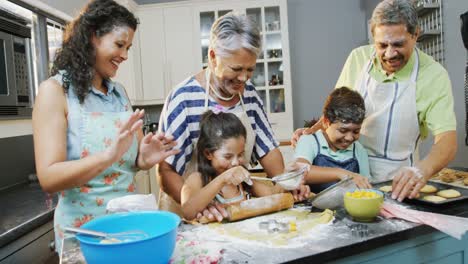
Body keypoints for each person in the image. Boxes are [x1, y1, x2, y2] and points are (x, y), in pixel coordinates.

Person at [32, 0, 179, 252]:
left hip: (129, 227)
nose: (124, 55)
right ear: (92, 37)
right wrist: (107, 156)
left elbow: (129, 162)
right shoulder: (54, 92)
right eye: (119, 45)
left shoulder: (119, 93)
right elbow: (48, 177)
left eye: (128, 48)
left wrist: (143, 159)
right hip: (84, 233)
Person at [291, 0, 456, 201]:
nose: (389, 54)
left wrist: (421, 170)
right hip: (348, 183)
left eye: (398, 44)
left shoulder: (433, 75)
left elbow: (447, 140)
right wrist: (311, 132)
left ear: (415, 35)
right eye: (382, 45)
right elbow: (337, 110)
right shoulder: (358, 59)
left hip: (397, 186)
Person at [158, 12, 310, 221]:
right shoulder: (182, 98)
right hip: (189, 214)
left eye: (250, 70)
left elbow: (269, 151)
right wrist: (205, 204)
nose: (243, 78)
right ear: (212, 56)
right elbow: (166, 171)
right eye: (236, 68)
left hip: (234, 209)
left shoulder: (250, 95)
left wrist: (288, 184)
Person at [182, 110, 295, 221]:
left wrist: (287, 175)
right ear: (208, 153)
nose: (236, 162)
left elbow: (273, 195)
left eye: (240, 154)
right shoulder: (197, 179)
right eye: (228, 157)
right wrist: (223, 179)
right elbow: (187, 212)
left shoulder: (243, 181)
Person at [294, 87, 372, 193]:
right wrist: (341, 173)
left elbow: (366, 186)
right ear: (326, 122)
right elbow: (299, 171)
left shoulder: (358, 150)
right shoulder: (310, 141)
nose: (349, 138)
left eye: (356, 131)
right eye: (343, 130)